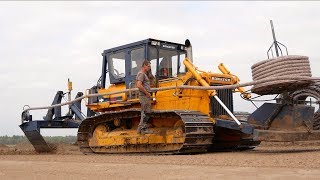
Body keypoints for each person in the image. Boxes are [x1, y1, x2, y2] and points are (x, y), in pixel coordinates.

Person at [136, 60, 153, 134]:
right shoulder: (141, 74)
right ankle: (142, 129)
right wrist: (146, 93)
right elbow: (139, 85)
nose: (149, 68)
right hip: (144, 95)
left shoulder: (144, 74)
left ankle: (141, 128)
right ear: (144, 66)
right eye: (148, 66)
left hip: (145, 95)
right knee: (146, 112)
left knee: (146, 112)